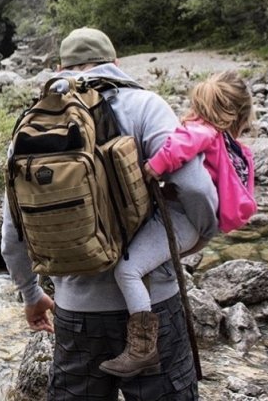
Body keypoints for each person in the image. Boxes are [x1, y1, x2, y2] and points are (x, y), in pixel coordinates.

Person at [1, 27, 219, 400]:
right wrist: (199, 233)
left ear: (60, 67)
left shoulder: (33, 124)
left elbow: (12, 232)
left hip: (76, 313)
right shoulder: (146, 105)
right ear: (116, 64)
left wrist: (31, 293)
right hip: (154, 305)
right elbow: (196, 186)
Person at [99, 71, 255, 378]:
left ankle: (143, 349)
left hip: (183, 220)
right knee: (150, 262)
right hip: (187, 221)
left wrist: (150, 168)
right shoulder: (224, 138)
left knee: (127, 270)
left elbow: (177, 150)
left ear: (203, 104)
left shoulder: (200, 130)